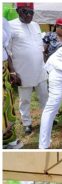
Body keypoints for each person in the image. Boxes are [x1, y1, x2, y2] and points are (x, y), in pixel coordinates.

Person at [8, 2, 48, 135]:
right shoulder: (10, 25)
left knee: (44, 96)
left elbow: (41, 47)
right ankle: (27, 123)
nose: (29, 15)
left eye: (32, 12)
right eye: (26, 12)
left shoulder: (35, 25)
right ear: (19, 11)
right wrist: (13, 71)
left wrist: (44, 64)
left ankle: (46, 119)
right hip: (23, 71)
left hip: (40, 69)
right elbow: (6, 51)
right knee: (25, 99)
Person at [3, 18, 23, 149]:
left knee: (6, 105)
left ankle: (7, 138)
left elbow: (5, 48)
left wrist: (12, 71)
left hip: (2, 69)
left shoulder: (2, 21)